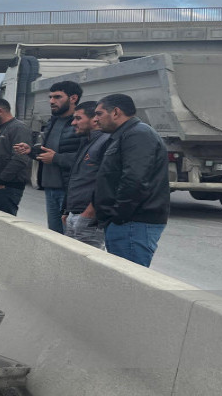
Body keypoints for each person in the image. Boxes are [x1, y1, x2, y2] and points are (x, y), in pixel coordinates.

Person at [92, 94, 169, 266]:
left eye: (99, 114)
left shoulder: (138, 135)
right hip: (126, 223)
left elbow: (134, 180)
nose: (95, 119)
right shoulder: (125, 135)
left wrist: (118, 216)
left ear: (116, 112)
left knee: (129, 283)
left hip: (133, 223)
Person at [16, 80, 84, 234]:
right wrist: (31, 151)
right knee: (55, 237)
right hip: (50, 189)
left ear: (73, 98)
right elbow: (48, 152)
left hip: (68, 191)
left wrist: (57, 159)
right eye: (50, 97)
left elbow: (88, 158)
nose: (51, 101)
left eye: (57, 97)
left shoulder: (80, 125)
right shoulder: (52, 121)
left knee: (71, 240)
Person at [59, 102, 109, 249]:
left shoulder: (106, 142)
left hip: (88, 216)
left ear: (94, 119)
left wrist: (89, 213)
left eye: (78, 118)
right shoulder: (87, 141)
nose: (73, 123)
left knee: (88, 266)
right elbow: (76, 177)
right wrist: (67, 210)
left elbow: (105, 181)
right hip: (75, 213)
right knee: (72, 261)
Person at [0, 98, 33, 216]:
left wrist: (0, 181)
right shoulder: (1, 129)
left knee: (2, 225)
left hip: (6, 188)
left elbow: (20, 159)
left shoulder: (18, 128)